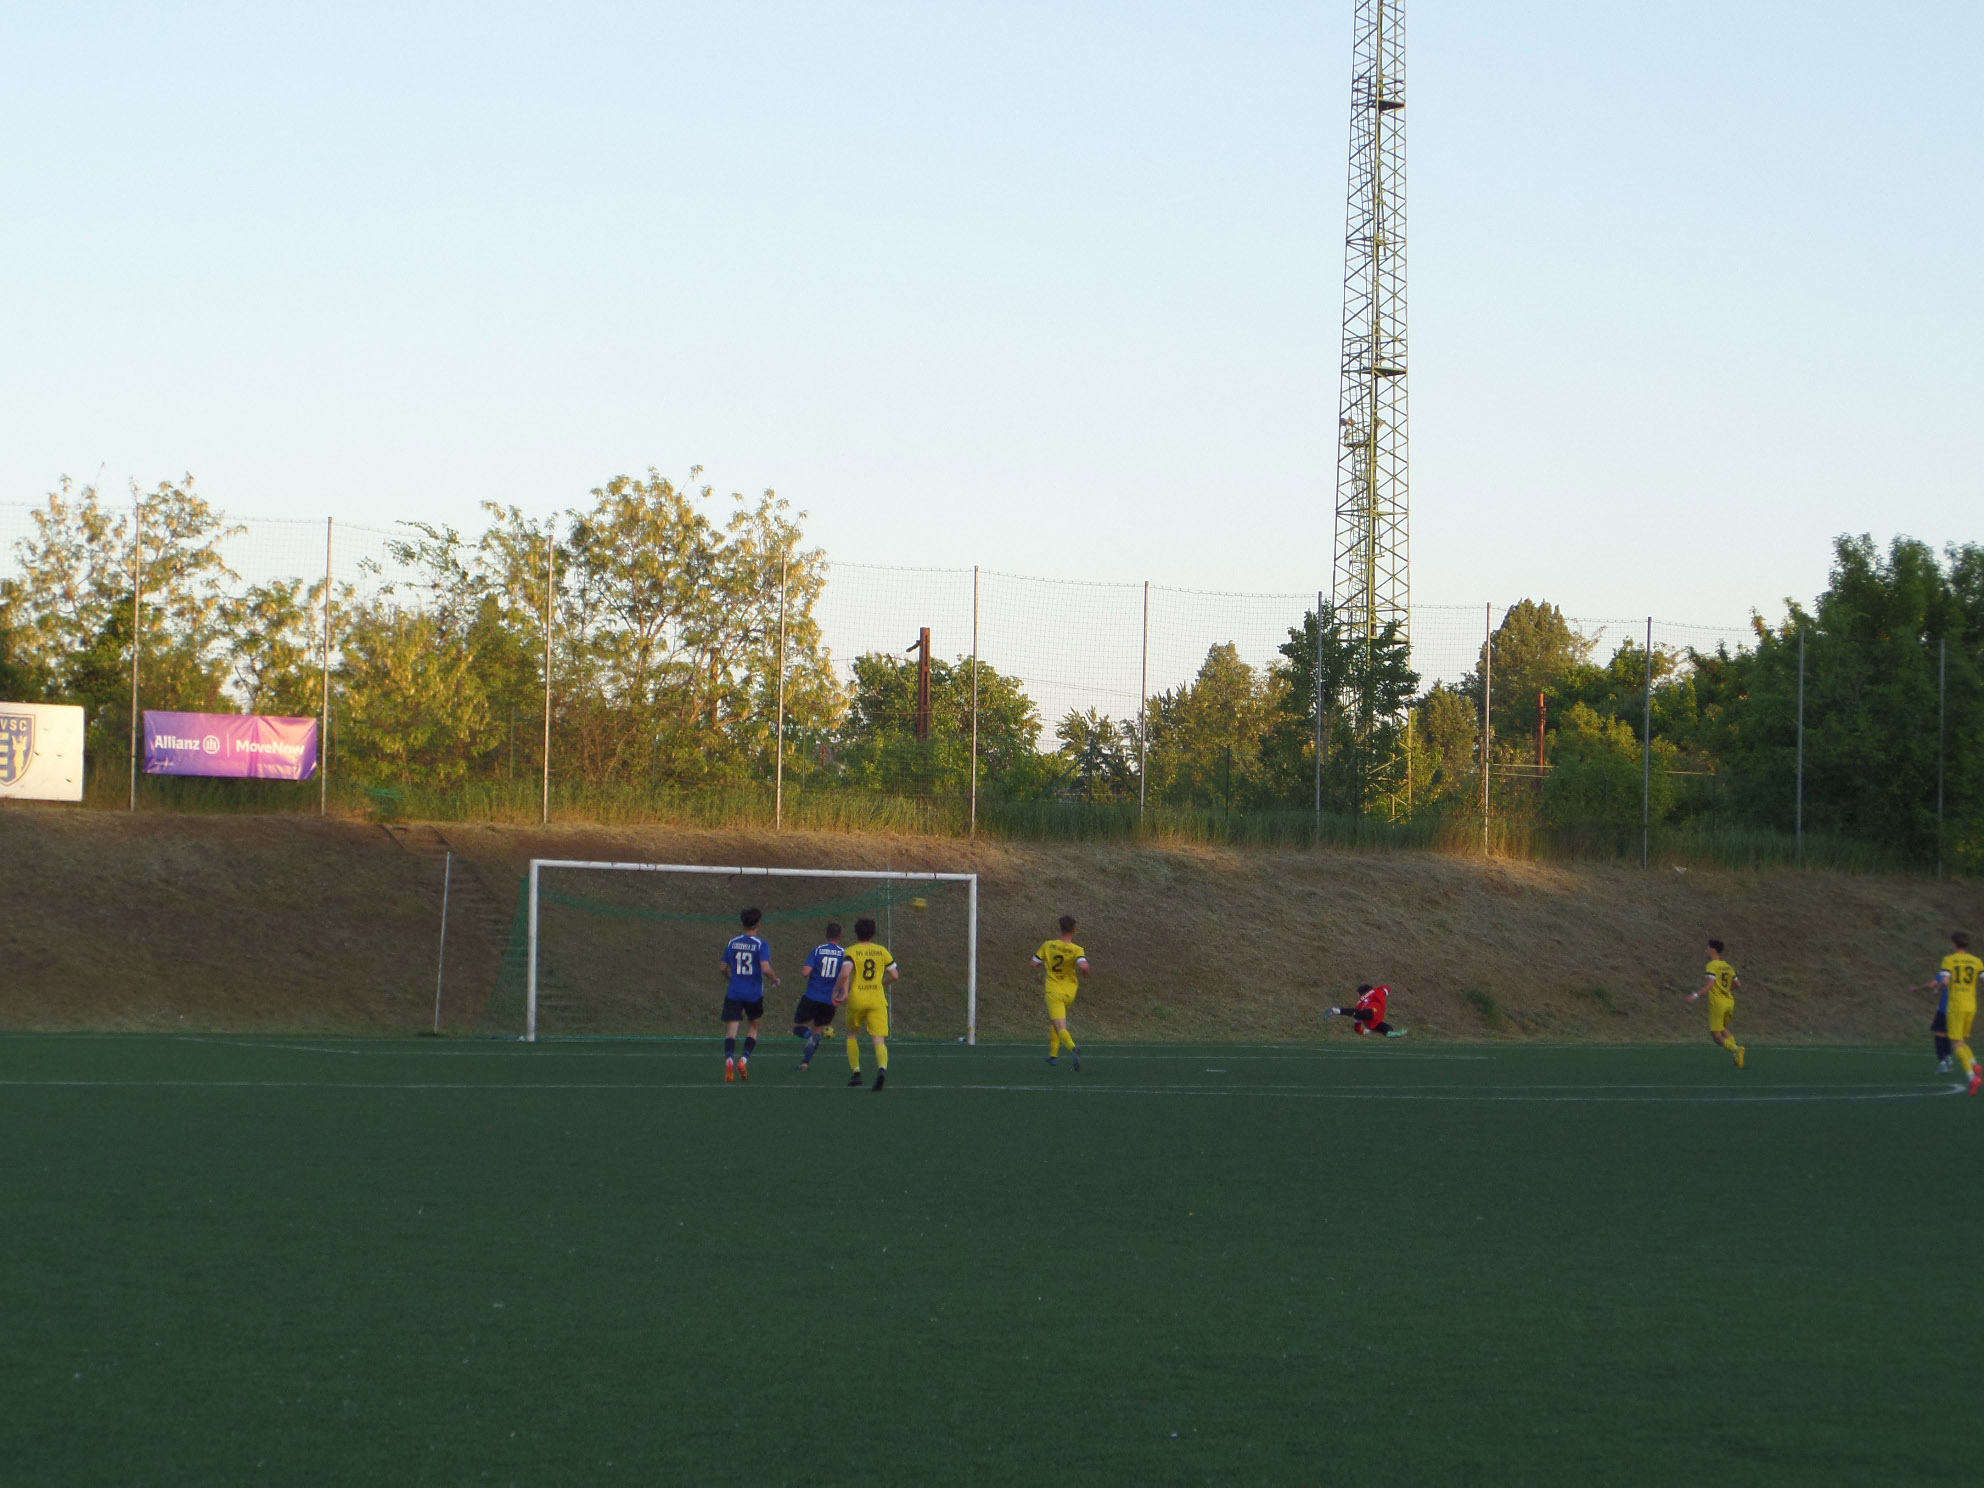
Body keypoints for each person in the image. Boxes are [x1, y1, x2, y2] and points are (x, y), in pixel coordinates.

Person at [834, 917, 897, 1091]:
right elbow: (895, 975)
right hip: (877, 999)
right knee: (878, 1038)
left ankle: (856, 1073)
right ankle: (882, 1069)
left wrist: (837, 990)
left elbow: (845, 974)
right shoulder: (881, 951)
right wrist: (882, 983)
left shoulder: (851, 951)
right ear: (873, 933)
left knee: (852, 1034)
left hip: (857, 998)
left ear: (856, 933)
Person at [719, 908, 780, 1083]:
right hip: (754, 993)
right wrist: (775, 979)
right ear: (758, 924)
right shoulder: (761, 944)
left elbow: (723, 968)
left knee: (731, 1031)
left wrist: (731, 978)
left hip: (735, 992)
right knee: (753, 1027)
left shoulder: (733, 942)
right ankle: (744, 1059)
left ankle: (729, 1060)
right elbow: (765, 968)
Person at [1033, 916, 1089, 1068]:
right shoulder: (1077, 949)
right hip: (1070, 992)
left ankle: (1073, 1048)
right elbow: (1082, 964)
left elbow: (1034, 962)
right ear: (1074, 930)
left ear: (1060, 928)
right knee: (1056, 1020)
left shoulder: (1048, 945)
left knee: (1060, 1026)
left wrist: (1044, 960)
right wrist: (1085, 969)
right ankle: (1053, 1055)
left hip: (1054, 991)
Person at [792, 923, 847, 1071]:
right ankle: (805, 1063)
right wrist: (842, 993)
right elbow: (845, 975)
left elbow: (805, 972)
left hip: (812, 996)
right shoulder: (844, 953)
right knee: (818, 1031)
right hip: (830, 1000)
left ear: (826, 935)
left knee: (797, 1027)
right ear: (840, 936)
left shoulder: (817, 950)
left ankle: (809, 1035)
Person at [1686, 939, 1745, 1069]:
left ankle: (1736, 1049)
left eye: (1707, 948)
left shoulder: (1711, 965)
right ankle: (1736, 1055)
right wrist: (1725, 989)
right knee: (1723, 1028)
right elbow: (1738, 984)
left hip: (1718, 1003)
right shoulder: (1727, 966)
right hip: (1730, 1002)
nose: (1705, 951)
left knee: (1716, 1036)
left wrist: (1695, 995)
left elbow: (1710, 985)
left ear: (1713, 950)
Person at [1939, 931, 1983, 1095]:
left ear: (1954, 944)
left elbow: (1945, 981)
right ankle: (1975, 1064)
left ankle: (1972, 1077)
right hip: (1971, 1005)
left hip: (1957, 1005)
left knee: (1956, 1044)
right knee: (1962, 1040)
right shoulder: (1977, 961)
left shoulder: (1949, 960)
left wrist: (1940, 987)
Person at [1905, 961, 1955, 1073]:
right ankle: (1948, 1058)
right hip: (1957, 1011)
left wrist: (1917, 989)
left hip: (1944, 1009)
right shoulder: (1961, 972)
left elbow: (1932, 985)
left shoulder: (1946, 971)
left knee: (1939, 1034)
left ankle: (1942, 1063)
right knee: (1946, 1034)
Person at [1326, 983, 1405, 1037]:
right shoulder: (1377, 991)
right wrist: (1384, 989)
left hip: (1369, 1019)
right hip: (1376, 1016)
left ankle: (1335, 1010)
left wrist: (1363, 1032)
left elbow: (1357, 1026)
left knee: (1356, 1013)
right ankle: (1389, 1032)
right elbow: (1387, 988)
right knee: (1384, 1026)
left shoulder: (1360, 1002)